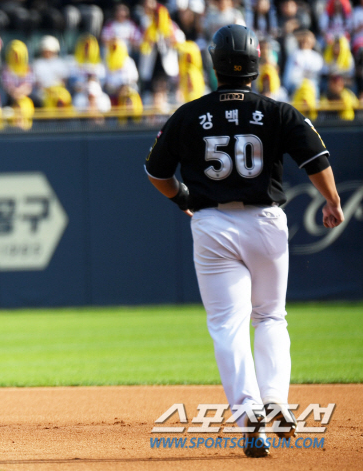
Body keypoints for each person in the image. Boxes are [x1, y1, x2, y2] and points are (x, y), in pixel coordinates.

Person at [144, 25, 345, 458]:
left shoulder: (188, 114)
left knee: (227, 324)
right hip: (266, 223)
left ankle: (250, 414)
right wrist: (331, 200)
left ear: (214, 66)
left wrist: (183, 199)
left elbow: (157, 172)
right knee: (271, 316)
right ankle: (275, 399)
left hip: (213, 224)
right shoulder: (276, 111)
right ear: (256, 64)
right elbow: (316, 158)